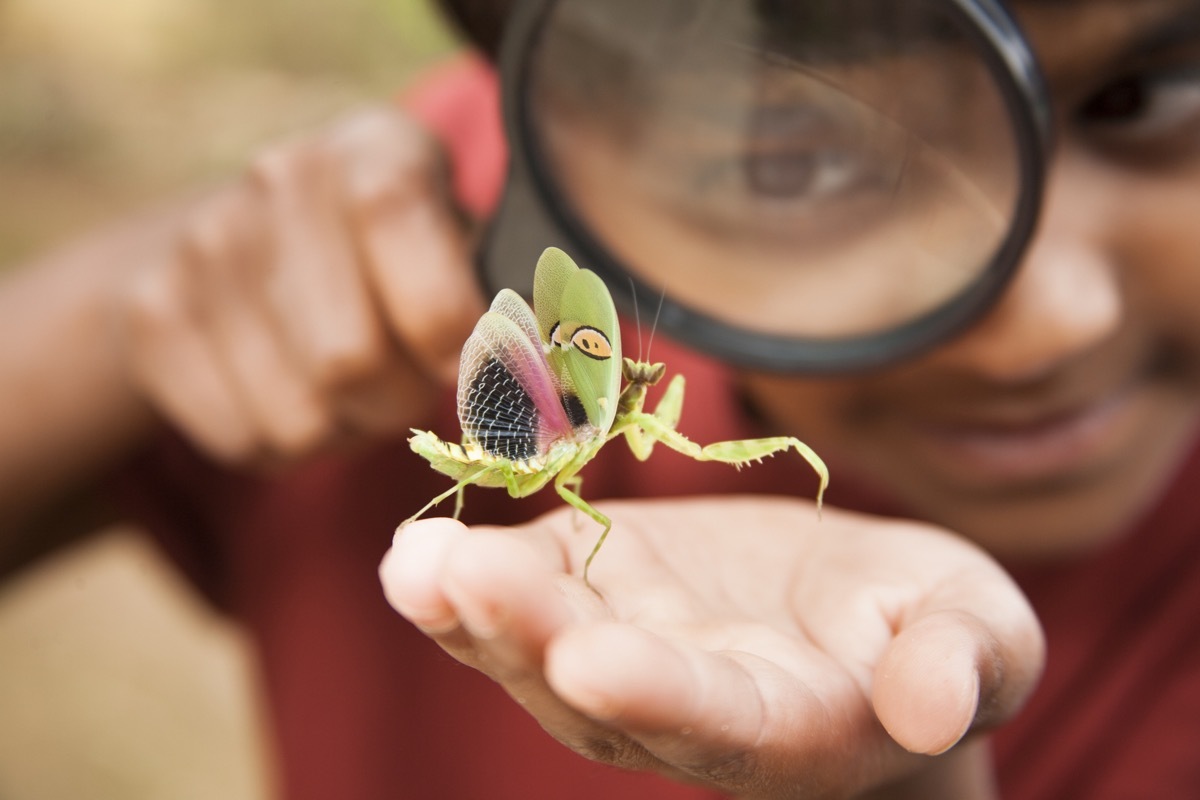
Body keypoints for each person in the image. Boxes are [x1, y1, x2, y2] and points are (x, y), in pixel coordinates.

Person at [3, 0, 1199, 797]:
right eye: (799, 155)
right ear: (578, 143)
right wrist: (135, 310)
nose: (1055, 321)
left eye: (1150, 94)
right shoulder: (441, 239)